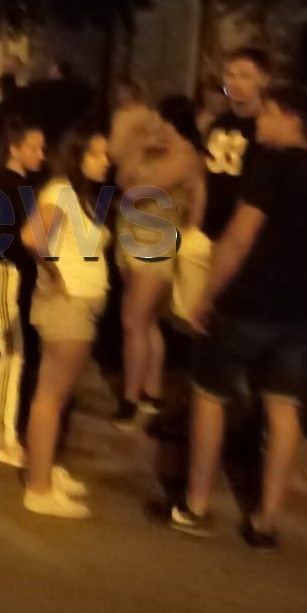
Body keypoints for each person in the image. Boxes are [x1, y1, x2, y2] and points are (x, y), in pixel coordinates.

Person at [155, 88, 307, 551]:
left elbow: (239, 238)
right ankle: (267, 519)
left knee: (210, 396)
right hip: (298, 308)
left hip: (248, 301)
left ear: (291, 118)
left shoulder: (268, 168)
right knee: (283, 408)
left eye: (269, 114)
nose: (259, 121)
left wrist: (207, 296)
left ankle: (196, 503)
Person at [20, 124, 112, 519]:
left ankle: (47, 468)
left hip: (80, 305)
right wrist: (56, 275)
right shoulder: (60, 191)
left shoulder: (80, 196)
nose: (105, 161)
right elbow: (32, 237)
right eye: (96, 153)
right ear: (77, 155)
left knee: (60, 396)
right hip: (66, 305)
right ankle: (38, 488)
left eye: (106, 154)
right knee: (51, 396)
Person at [115, 96, 207, 427]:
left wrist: (136, 165)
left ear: (172, 122)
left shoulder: (186, 157)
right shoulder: (155, 150)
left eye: (159, 119)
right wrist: (140, 150)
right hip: (132, 237)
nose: (154, 126)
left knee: (133, 321)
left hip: (155, 243)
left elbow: (136, 191)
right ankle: (151, 391)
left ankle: (130, 398)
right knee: (148, 321)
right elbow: (121, 178)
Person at [0, 117, 47, 468]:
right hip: (7, 273)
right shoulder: (7, 185)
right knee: (12, 355)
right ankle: (2, 437)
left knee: (15, 353)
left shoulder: (15, 184)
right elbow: (2, 238)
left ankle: (1, 425)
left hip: (12, 274)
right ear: (15, 148)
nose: (41, 155)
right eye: (34, 148)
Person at [201, 48, 271, 242]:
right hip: (208, 226)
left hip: (244, 232)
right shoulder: (218, 124)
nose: (235, 83)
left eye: (245, 76)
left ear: (263, 80)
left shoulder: (266, 128)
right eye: (230, 75)